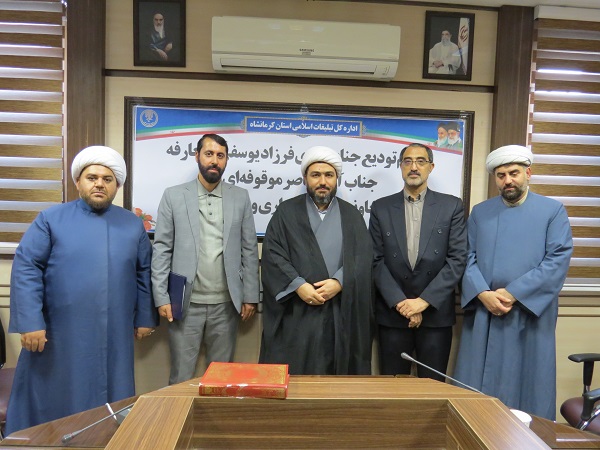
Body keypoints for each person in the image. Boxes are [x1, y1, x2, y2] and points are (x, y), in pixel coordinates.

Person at [6, 146, 158, 434]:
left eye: (107, 179)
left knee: (112, 396)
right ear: (78, 181)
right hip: (58, 333)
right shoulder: (50, 219)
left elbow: (143, 272)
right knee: (54, 396)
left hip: (115, 332)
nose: (99, 184)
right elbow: (27, 267)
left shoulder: (132, 224)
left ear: (117, 186)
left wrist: (144, 318)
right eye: (92, 178)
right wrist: (30, 322)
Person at [454, 145, 573, 420]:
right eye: (501, 175)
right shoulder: (480, 212)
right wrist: (483, 293)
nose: (508, 180)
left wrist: (513, 293)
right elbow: (466, 257)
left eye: (514, 173)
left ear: (527, 173)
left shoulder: (552, 210)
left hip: (529, 313)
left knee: (529, 386)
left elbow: (557, 259)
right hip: (485, 311)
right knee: (477, 394)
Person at [152, 133, 259, 385]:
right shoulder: (173, 195)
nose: (214, 161)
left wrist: (250, 296)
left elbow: (249, 249)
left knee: (221, 378)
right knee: (181, 376)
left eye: (220, 156)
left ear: (226, 160)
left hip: (227, 304)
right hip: (184, 304)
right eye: (209, 154)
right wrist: (161, 296)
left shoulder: (240, 196)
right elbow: (162, 248)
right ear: (197, 156)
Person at [259, 146, 373, 375]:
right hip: (297, 310)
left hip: (339, 309)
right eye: (315, 175)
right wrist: (298, 285)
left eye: (329, 175)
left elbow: (363, 257)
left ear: (337, 179)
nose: (322, 181)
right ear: (305, 179)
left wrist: (340, 282)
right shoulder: (286, 212)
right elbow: (273, 254)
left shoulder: (352, 215)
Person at [369, 143, 467, 381]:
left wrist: (423, 302)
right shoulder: (381, 207)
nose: (414, 167)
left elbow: (457, 258)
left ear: (431, 167)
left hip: (435, 315)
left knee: (433, 388)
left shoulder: (451, 206)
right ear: (400, 166)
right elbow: (375, 260)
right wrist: (401, 303)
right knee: (392, 387)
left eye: (420, 161)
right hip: (393, 315)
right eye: (408, 161)